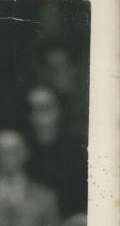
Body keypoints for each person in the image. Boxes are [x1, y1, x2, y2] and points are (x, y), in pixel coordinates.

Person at [24, 86, 88, 217]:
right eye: (33, 108)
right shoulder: (22, 146)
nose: (39, 113)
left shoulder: (75, 147)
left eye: (45, 107)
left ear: (58, 110)